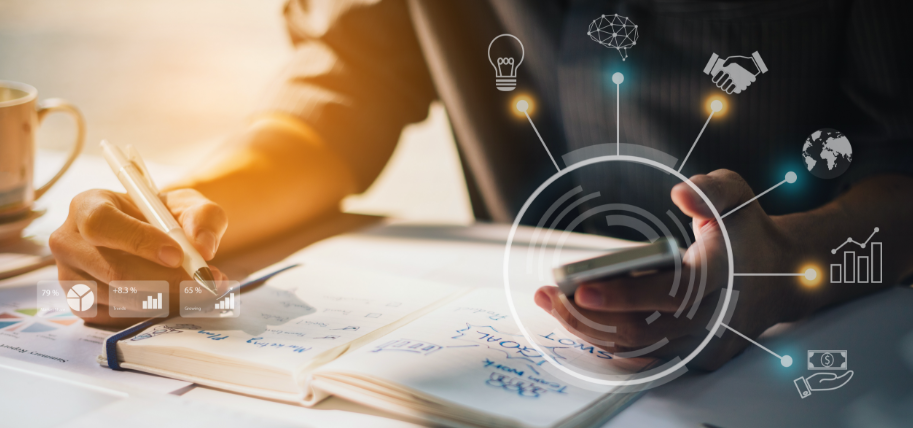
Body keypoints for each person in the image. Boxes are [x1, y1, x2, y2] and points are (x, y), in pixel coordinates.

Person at [50, 0, 913, 370]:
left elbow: (902, 161)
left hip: (821, 359)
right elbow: (346, 85)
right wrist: (179, 214)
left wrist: (787, 261)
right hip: (524, 351)